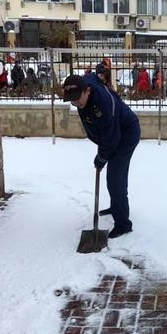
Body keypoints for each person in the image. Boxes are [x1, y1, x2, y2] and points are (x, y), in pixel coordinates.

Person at [62, 73, 141, 239]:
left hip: (126, 134)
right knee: (114, 178)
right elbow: (92, 76)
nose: (75, 102)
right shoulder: (85, 89)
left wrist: (101, 158)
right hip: (113, 134)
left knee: (115, 178)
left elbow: (111, 138)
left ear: (87, 91)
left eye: (77, 98)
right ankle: (116, 206)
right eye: (71, 99)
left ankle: (123, 224)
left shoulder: (102, 103)